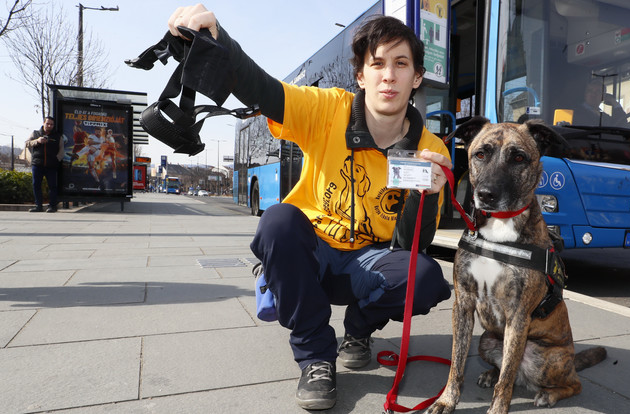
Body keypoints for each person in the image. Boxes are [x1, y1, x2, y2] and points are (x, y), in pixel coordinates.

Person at [168, 5, 453, 410]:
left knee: (423, 276)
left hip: (367, 264)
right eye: (378, 64)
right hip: (314, 253)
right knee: (278, 221)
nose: (388, 75)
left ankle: (358, 328)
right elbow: (262, 88)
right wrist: (218, 41)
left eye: (401, 63)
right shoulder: (327, 109)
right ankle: (316, 357)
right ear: (361, 76)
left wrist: (427, 196)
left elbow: (412, 245)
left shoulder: (431, 151)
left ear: (417, 76)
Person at [25, 116, 64, 212]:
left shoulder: (58, 136)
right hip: (37, 164)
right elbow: (27, 143)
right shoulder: (35, 133)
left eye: (51, 124)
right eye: (47, 123)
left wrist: (56, 160)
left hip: (51, 166)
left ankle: (52, 206)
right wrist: (37, 141)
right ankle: (38, 206)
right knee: (36, 185)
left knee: (52, 186)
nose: (49, 126)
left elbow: (61, 151)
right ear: (43, 123)